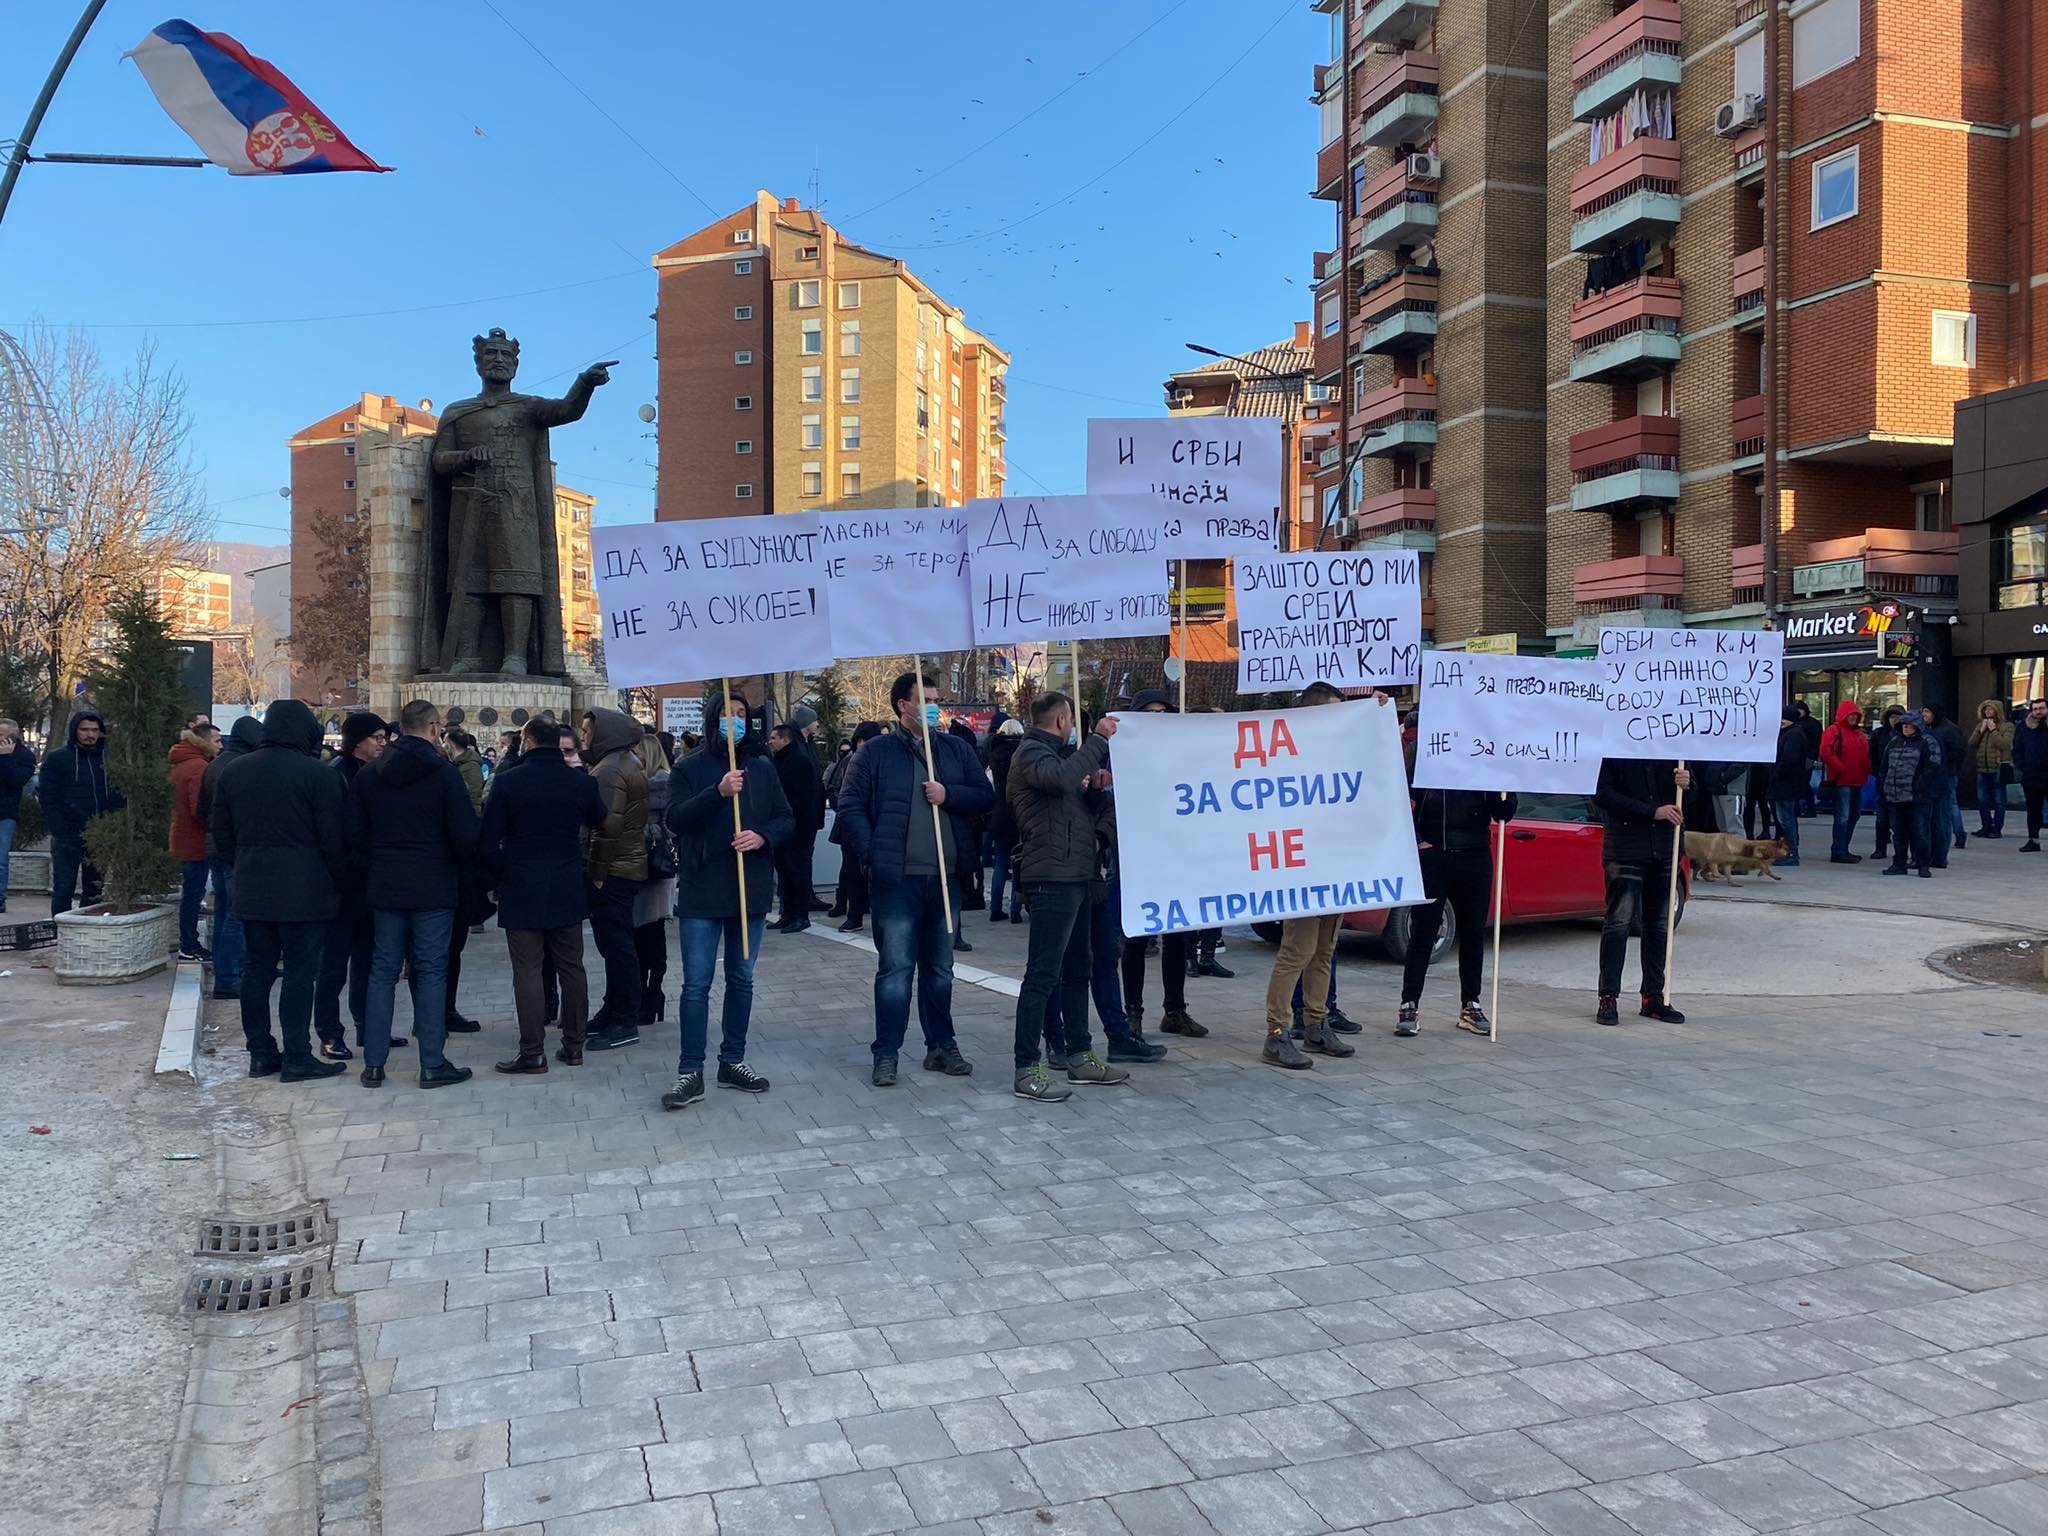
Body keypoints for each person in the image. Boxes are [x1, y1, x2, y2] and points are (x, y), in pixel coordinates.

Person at [834, 671, 991, 1087]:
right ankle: (886, 1052)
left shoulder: (955, 749)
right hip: (896, 881)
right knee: (896, 970)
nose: (935, 706)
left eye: (937, 699)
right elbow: (849, 806)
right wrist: (873, 856)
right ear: (903, 705)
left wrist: (948, 795)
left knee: (940, 969)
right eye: (926, 699)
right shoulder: (876, 754)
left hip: (944, 878)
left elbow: (985, 796)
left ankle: (941, 1046)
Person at [662, 697, 792, 1109]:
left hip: (747, 890)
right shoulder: (689, 767)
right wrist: (717, 793)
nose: (734, 721)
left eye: (741, 715)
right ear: (711, 719)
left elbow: (786, 818)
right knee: (697, 985)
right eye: (726, 714)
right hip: (703, 890)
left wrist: (763, 837)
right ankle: (690, 1070)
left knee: (742, 978)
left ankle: (732, 1060)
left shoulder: (763, 767)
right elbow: (675, 819)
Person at [210, 699, 348, 1082]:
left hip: (253, 886)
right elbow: (334, 839)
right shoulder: (318, 775)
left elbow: (221, 834)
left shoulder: (235, 772)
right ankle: (298, 1055)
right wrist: (338, 880)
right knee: (301, 973)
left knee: (257, 970)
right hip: (306, 890)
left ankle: (260, 1051)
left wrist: (243, 865)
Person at [349, 699, 480, 1089]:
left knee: (382, 971)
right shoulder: (444, 774)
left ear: (399, 729)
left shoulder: (370, 775)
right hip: (434, 885)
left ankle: (373, 1064)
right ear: (434, 728)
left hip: (385, 884)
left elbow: (353, 834)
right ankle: (432, 1063)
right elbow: (464, 834)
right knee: (430, 971)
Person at [1008, 691, 1129, 1101]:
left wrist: (1095, 790)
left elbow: (1077, 807)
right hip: (1050, 878)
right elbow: (1058, 782)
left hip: (1078, 876)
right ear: (1062, 721)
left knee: (1079, 969)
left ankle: (1080, 1054)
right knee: (1043, 974)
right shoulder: (1031, 754)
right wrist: (1097, 742)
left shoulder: (1064, 758)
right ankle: (1028, 1065)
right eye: (1073, 721)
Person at [482, 716, 606, 1073]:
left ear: (528, 742)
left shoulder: (507, 783)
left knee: (528, 970)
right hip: (566, 880)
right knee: (571, 966)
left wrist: (495, 878)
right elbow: (601, 817)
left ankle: (533, 1050)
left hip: (521, 882)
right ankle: (574, 1045)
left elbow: (488, 840)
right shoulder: (581, 783)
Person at [1261, 682, 1364, 1069]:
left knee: (1324, 950)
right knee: (1297, 951)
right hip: (1303, 868)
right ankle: (1276, 1032)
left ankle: (1316, 1023)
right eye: (1337, 711)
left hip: (1335, 863)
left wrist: (1375, 712)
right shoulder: (1289, 756)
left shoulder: (1335, 751)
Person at [1115, 691, 1204, 1038]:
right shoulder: (1121, 755)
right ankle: (1132, 1013)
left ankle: (1175, 1010)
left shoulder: (1181, 755)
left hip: (1175, 851)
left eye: (1163, 712)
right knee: (1137, 936)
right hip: (1137, 853)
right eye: (1149, 713)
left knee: (1178, 934)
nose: (1157, 718)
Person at [1399, 776, 1516, 1038]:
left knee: (1473, 932)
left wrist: (1503, 787)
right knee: (1423, 932)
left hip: (1474, 853)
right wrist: (1418, 840)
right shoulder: (1424, 748)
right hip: (1434, 852)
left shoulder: (1487, 758)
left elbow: (1504, 813)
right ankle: (1409, 1005)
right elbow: (1399, 793)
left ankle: (1471, 1005)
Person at [1592, 755, 1693, 1025]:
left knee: (1659, 925)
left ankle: (1653, 996)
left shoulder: (1674, 750)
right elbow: (1601, 794)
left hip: (1665, 847)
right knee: (1618, 922)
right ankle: (1608, 996)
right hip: (1626, 847)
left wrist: (1687, 784)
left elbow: (1693, 805)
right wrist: (1651, 811)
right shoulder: (1614, 750)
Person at [316, 713, 389, 1062]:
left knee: (368, 962)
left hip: (371, 885)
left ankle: (368, 1026)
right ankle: (329, 1033)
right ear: (358, 740)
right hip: (341, 887)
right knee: (334, 965)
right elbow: (333, 835)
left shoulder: (377, 774)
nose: (382, 743)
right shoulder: (336, 777)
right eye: (377, 737)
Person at [581, 708, 650, 1051]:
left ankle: (624, 1018)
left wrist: (596, 874)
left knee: (617, 946)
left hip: (614, 870)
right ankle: (614, 1009)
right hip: (623, 866)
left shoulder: (609, 769)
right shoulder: (623, 762)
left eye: (588, 731)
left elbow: (606, 828)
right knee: (615, 945)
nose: (583, 737)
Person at [197, 716, 260, 1000]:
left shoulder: (215, 766)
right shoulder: (242, 768)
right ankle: (229, 977)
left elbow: (201, 811)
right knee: (236, 915)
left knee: (225, 911)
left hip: (215, 848)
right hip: (233, 850)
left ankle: (229, 971)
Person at [40, 708, 123, 915]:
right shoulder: (58, 759)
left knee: (94, 889)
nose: (90, 734)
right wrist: (59, 828)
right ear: (75, 731)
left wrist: (112, 822)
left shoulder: (110, 758)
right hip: (67, 835)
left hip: (99, 834)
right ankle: (60, 929)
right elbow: (48, 797)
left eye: (94, 729)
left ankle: (88, 928)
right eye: (84, 729)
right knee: (64, 887)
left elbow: (119, 794)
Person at [632, 727, 675, 1028]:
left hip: (645, 866)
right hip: (657, 869)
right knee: (651, 932)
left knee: (642, 934)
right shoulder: (667, 785)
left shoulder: (646, 786)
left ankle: (646, 996)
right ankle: (651, 994)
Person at [167, 719, 217, 961]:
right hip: (194, 841)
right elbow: (200, 808)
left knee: (192, 893)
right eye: (217, 741)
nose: (220, 746)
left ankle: (188, 942)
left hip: (183, 836)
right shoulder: (198, 767)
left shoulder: (183, 762)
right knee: (193, 894)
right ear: (205, 742)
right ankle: (188, 945)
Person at [769, 722, 824, 933]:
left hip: (799, 829)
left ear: (785, 739)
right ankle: (787, 913)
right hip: (781, 829)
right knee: (783, 872)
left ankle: (801, 915)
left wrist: (791, 819)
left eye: (774, 738)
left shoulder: (800, 761)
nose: (771, 741)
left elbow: (804, 798)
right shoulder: (777, 761)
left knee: (797, 872)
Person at [830, 721, 884, 931]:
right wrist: (846, 811)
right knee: (852, 871)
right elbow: (835, 790)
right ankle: (854, 914)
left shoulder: (883, 762)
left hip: (877, 824)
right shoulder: (849, 761)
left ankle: (868, 911)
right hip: (851, 826)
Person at [1879, 711, 1938, 877]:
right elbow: (1884, 766)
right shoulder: (1894, 742)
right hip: (1894, 796)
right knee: (1898, 833)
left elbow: (1932, 767)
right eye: (1903, 724)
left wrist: (1918, 786)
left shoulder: (1927, 742)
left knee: (1920, 832)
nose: (1905, 727)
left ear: (1917, 726)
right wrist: (1884, 785)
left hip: (1917, 797)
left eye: (1909, 724)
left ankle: (1923, 864)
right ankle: (1899, 864)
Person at [1818, 701, 1870, 863]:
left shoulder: (1858, 734)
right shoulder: (1834, 731)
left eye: (1855, 715)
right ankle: (1839, 850)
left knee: (1853, 815)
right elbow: (1825, 752)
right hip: (1842, 781)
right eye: (1851, 715)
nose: (1853, 718)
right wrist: (1841, 768)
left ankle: (1843, 848)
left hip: (1857, 780)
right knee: (1844, 816)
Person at [985, 718, 1025, 923]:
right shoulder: (1023, 754)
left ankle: (995, 908)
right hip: (1019, 813)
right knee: (1020, 862)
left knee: (1000, 862)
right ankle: (1016, 910)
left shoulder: (994, 754)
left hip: (999, 812)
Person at [1922, 706, 1967, 863]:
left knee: (1943, 814)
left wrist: (1943, 766)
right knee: (1934, 816)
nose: (1924, 715)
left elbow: (1958, 751)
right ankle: (1934, 853)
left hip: (1945, 776)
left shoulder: (1948, 730)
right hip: (1933, 777)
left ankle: (1941, 854)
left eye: (1927, 712)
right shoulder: (1928, 729)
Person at [0, 719, 34, 916]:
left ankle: (0, 898)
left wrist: (5, 759)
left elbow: (16, 781)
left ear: (12, 737)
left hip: (5, 813)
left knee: (1, 858)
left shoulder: (24, 756)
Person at [1968, 699, 2014, 839]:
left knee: (1999, 800)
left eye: (1990, 709)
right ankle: (1986, 826)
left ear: (1997, 711)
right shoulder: (1980, 725)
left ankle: (1997, 828)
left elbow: (2004, 744)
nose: (1987, 712)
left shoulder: (2007, 726)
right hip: (1983, 767)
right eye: (1985, 710)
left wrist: (1993, 729)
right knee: (1982, 799)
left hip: (1998, 767)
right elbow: (1971, 743)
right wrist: (1981, 731)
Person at [1771, 703, 1809, 867]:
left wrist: (1776, 773)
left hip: (1786, 784)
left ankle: (1792, 852)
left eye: (1785, 718)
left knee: (1786, 819)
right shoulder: (1791, 733)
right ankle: (1790, 851)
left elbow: (1789, 761)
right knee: (1786, 818)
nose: (1781, 721)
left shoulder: (1793, 735)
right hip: (1786, 784)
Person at [1866, 705, 1906, 859]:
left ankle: (1901, 852)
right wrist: (1878, 773)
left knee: (1899, 820)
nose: (1894, 719)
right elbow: (1872, 756)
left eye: (1897, 716)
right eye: (1891, 716)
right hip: (1883, 782)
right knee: (1881, 818)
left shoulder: (1906, 734)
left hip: (1902, 784)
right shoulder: (1879, 734)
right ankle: (1880, 848)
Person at [2015, 698, 2048, 852]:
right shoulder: (2024, 727)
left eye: (2041, 708)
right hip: (2031, 776)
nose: (2038, 711)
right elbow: (2017, 749)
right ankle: (2033, 840)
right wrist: (2022, 765)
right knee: (2033, 810)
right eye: (2035, 709)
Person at [446, 728, 486, 815]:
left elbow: (473, 796)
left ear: (450, 745)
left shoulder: (472, 767)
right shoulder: (457, 763)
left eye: (445, 742)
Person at [1792, 701, 1822, 816]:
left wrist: (1814, 754)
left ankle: (1809, 807)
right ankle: (1799, 808)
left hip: (1808, 756)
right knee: (1797, 782)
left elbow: (1817, 741)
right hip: (1801, 756)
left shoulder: (1811, 724)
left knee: (1804, 782)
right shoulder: (1799, 723)